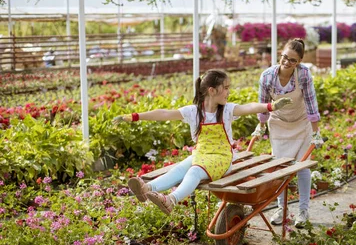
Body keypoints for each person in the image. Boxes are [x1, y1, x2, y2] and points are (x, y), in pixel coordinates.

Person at [113, 69, 291, 215]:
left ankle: (171, 200)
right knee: (180, 168)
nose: (229, 92)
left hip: (222, 159)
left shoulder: (228, 110)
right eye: (226, 88)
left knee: (194, 172)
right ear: (212, 90)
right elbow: (164, 113)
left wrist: (270, 106)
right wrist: (134, 117)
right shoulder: (193, 112)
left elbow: (249, 107)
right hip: (202, 154)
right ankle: (146, 188)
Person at [253, 38, 324, 228]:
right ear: (280, 54)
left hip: (301, 124)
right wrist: (260, 126)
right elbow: (263, 105)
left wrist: (316, 132)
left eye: (293, 60)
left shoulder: (303, 75)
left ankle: (303, 211)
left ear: (299, 61)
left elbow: (311, 103)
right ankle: (281, 209)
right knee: (280, 168)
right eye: (285, 57)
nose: (287, 62)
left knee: (302, 167)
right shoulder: (267, 76)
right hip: (279, 123)